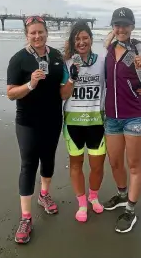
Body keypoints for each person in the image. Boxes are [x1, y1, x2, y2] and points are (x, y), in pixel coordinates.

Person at [7, 15, 64, 243]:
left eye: (41, 32)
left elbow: (64, 86)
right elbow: (11, 93)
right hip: (27, 121)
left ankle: (44, 195)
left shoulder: (57, 56)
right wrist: (30, 84)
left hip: (53, 119)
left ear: (46, 33)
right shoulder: (18, 59)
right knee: (28, 164)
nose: (37, 36)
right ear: (27, 35)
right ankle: (26, 217)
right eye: (33, 33)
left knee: (48, 160)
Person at [103, 7, 141, 233]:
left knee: (134, 165)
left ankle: (131, 211)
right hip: (112, 117)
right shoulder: (109, 48)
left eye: (125, 24)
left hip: (135, 116)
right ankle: (122, 195)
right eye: (117, 24)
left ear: (133, 26)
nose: (121, 28)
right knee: (115, 162)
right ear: (113, 27)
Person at [60, 20, 106, 222]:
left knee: (97, 166)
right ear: (73, 41)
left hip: (96, 122)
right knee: (76, 164)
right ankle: (81, 203)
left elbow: (117, 81)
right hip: (73, 123)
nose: (81, 42)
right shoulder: (67, 63)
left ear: (91, 39)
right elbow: (62, 95)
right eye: (77, 39)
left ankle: (93, 198)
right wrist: (72, 78)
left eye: (85, 38)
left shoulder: (102, 61)